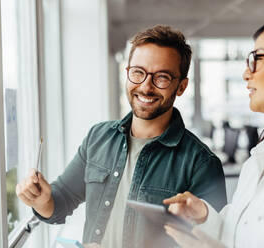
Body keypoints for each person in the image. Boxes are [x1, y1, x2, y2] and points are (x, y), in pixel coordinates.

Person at [16, 25, 227, 248]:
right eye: (138, 72)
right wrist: (42, 200)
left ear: (181, 86)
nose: (146, 87)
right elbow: (60, 203)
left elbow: (214, 242)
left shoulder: (201, 163)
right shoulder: (98, 137)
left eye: (162, 77)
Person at [163, 14, 264, 248]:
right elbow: (241, 234)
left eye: (258, 58)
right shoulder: (263, 155)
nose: (246, 73)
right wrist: (204, 216)